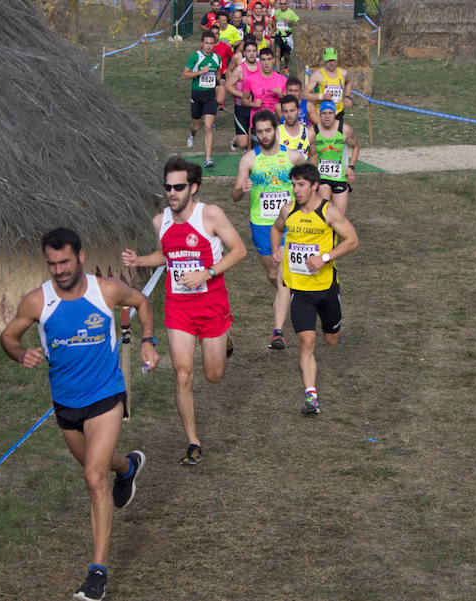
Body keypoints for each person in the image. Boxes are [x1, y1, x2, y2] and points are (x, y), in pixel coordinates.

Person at [0, 227, 161, 601]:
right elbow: (8, 336)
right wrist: (19, 353)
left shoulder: (104, 291)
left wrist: (148, 341)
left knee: (92, 478)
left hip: (106, 395)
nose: (58, 270)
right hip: (66, 404)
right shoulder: (37, 302)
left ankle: (97, 571)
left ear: (81, 257)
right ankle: (127, 468)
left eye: (65, 261)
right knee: (98, 466)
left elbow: (142, 302)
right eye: (52, 263)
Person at [122, 158, 246, 466]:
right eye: (168, 187)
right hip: (179, 308)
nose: (172, 193)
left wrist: (208, 272)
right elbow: (165, 256)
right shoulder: (159, 221)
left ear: (193, 187)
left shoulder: (211, 215)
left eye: (178, 187)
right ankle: (193, 441)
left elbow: (239, 251)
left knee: (214, 375)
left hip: (212, 305)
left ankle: (224, 337)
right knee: (182, 373)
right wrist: (139, 261)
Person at [270, 163, 359, 416]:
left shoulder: (329, 212)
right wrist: (277, 249)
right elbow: (276, 229)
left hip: (326, 288)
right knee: (306, 341)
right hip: (300, 290)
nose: (296, 190)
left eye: (301, 185)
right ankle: (311, 396)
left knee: (330, 340)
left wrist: (326, 257)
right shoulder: (288, 210)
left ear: (314, 186)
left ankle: (335, 328)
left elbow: (352, 240)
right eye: (293, 185)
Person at [232, 109, 305, 349]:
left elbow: (308, 181)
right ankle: (295, 296)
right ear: (254, 133)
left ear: (276, 129)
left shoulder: (293, 158)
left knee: (282, 278)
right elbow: (234, 195)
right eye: (260, 132)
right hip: (261, 225)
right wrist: (241, 189)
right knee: (274, 276)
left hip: (287, 225)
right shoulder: (249, 160)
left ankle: (277, 332)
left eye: (268, 130)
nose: (264, 135)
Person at [184, 31, 223, 169]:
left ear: (214, 44)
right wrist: (200, 72)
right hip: (197, 95)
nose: (208, 46)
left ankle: (208, 159)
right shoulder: (196, 56)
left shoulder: (217, 58)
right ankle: (192, 134)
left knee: (208, 126)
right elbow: (185, 74)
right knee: (197, 126)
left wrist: (219, 82)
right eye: (206, 43)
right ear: (202, 43)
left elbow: (218, 73)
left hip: (210, 96)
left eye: (211, 43)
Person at [313, 100, 359, 215]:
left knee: (339, 214)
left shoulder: (345, 130)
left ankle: (335, 233)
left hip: (340, 177)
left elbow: (356, 147)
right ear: (320, 114)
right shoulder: (313, 131)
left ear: (335, 114)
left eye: (330, 113)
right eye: (324, 113)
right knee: (323, 212)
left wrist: (351, 167)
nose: (327, 117)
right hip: (322, 177)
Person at [224, 37, 260, 151]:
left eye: (254, 51)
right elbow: (228, 85)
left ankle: (251, 163)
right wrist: (242, 95)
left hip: (257, 107)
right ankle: (236, 140)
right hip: (241, 107)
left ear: (257, 52)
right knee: (243, 144)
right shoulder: (240, 69)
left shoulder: (261, 67)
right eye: (249, 51)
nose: (251, 54)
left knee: (255, 140)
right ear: (244, 53)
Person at [304, 47, 353, 125]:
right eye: (328, 60)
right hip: (321, 114)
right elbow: (305, 94)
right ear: (324, 60)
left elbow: (349, 81)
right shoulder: (317, 75)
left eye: (333, 60)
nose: (331, 63)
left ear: (337, 59)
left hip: (337, 113)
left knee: (338, 136)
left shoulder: (343, 73)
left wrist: (347, 96)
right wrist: (321, 97)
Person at [241, 47, 286, 126]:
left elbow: (289, 103)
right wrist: (253, 104)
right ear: (260, 61)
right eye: (263, 60)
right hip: (257, 122)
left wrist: (281, 95)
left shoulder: (282, 79)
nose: (266, 63)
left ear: (273, 60)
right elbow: (243, 101)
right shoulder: (250, 79)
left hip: (275, 123)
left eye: (269, 59)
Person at [278, 94, 316, 161]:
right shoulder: (276, 134)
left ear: (299, 111)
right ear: (282, 112)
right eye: (285, 111)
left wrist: (310, 171)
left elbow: (313, 155)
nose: (289, 115)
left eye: (292, 111)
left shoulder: (309, 134)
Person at [272, 0, 299, 74]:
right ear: (279, 4)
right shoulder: (277, 12)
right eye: (281, 4)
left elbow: (297, 23)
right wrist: (272, 30)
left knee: (287, 56)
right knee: (277, 53)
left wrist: (289, 22)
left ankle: (286, 67)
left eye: (284, 4)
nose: (283, 5)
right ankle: (277, 71)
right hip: (278, 36)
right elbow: (275, 22)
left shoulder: (291, 12)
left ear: (287, 4)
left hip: (287, 37)